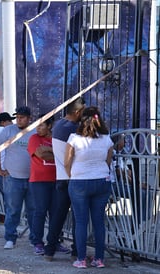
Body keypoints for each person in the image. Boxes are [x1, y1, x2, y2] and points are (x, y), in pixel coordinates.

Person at [64, 106, 113, 268]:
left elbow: (67, 162)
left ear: (81, 120)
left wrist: (72, 175)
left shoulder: (74, 138)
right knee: (99, 222)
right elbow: (108, 161)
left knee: (81, 222)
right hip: (102, 180)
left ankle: (81, 259)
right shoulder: (106, 138)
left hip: (79, 181)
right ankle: (99, 259)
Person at [44, 97, 85, 261]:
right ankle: (77, 251)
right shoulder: (73, 128)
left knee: (58, 216)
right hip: (74, 177)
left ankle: (49, 249)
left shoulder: (59, 125)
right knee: (78, 217)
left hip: (61, 177)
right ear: (77, 112)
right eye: (82, 112)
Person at [0, 106, 35, 250]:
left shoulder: (35, 131)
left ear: (29, 118)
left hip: (32, 178)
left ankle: (35, 239)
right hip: (13, 177)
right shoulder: (8, 130)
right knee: (12, 209)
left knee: (33, 210)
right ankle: (10, 238)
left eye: (22, 117)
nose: (19, 120)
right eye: (17, 117)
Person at [27, 114, 65, 255]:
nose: (38, 128)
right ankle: (37, 242)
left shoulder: (56, 139)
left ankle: (54, 242)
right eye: (37, 125)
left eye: (42, 125)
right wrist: (56, 153)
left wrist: (50, 151)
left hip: (57, 180)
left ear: (50, 126)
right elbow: (41, 154)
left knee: (56, 213)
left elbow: (64, 155)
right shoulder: (34, 139)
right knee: (40, 211)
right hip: (39, 181)